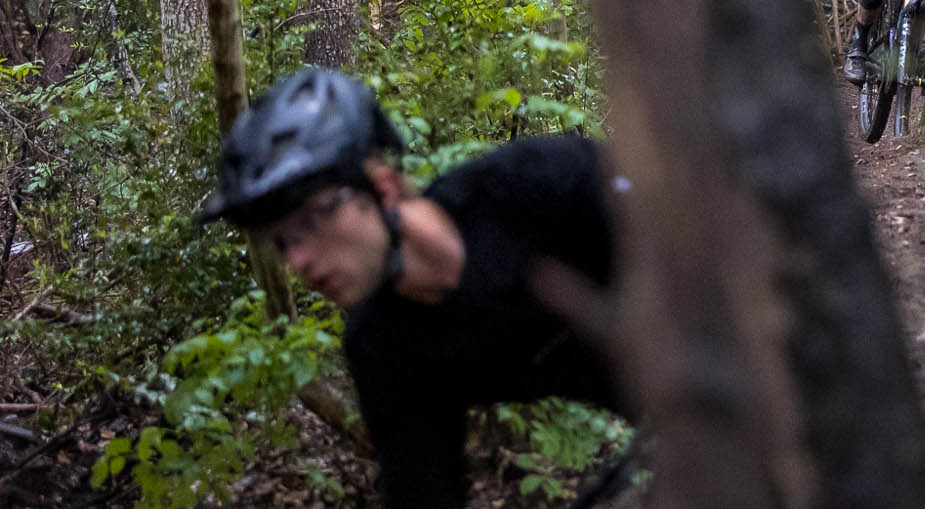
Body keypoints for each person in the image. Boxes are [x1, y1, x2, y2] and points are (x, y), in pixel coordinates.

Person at [200, 67, 627, 509]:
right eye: (283, 242)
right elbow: (423, 490)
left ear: (383, 188)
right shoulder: (383, 347)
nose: (299, 260)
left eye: (313, 218)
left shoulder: (536, 184)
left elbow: (674, 225)